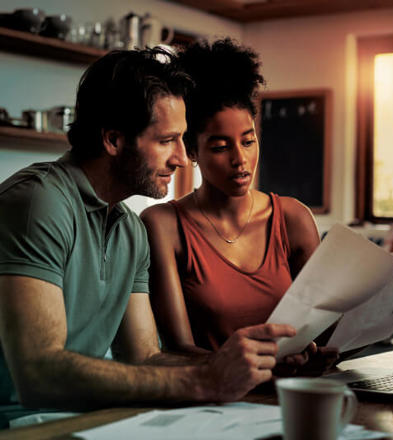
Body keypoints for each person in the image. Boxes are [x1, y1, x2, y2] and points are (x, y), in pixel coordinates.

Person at [0, 47, 297, 428]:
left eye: (182, 139)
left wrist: (254, 365)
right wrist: (205, 380)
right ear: (113, 139)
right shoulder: (39, 203)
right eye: (166, 140)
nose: (181, 158)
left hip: (81, 420)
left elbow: (143, 356)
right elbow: (39, 373)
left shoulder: (129, 227)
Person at [140, 39, 393, 371]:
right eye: (221, 146)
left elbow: (328, 335)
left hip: (293, 396)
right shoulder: (163, 224)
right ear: (191, 151)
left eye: (249, 141)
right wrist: (264, 366)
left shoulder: (292, 218)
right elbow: (178, 350)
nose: (241, 159)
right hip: (213, 404)